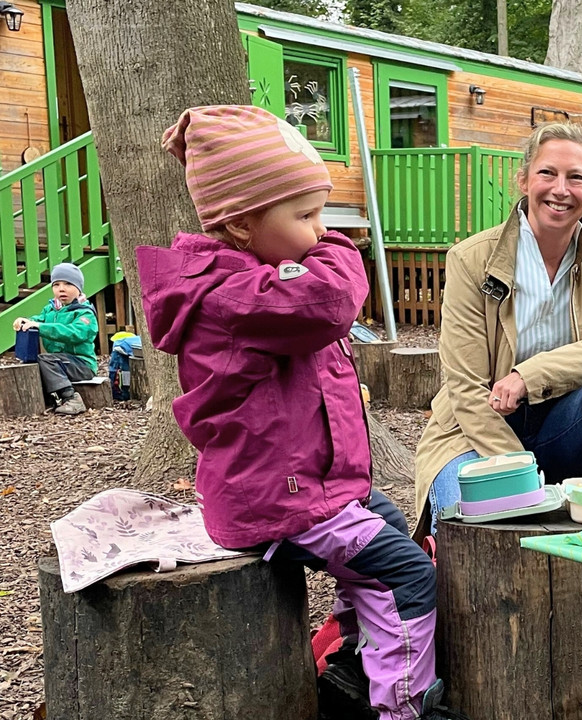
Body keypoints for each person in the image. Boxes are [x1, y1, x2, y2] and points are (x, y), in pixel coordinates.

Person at [135, 105, 445, 720]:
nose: (320, 229)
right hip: (280, 500)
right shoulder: (230, 292)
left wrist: (308, 239)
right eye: (306, 216)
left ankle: (355, 671)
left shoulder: (259, 275)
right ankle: (404, 707)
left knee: (387, 537)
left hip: (314, 490)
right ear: (245, 222)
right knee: (408, 576)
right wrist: (336, 247)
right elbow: (329, 302)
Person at [413, 122, 582, 538]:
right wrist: (524, 481)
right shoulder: (471, 259)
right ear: (523, 180)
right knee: (468, 521)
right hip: (475, 428)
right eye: (547, 173)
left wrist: (528, 376)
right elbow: (465, 389)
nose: (560, 189)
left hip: (564, 419)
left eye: (576, 178)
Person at [12, 262, 98, 415]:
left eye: (68, 284)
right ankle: (49, 397)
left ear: (79, 288)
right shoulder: (51, 309)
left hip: (81, 364)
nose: (61, 289)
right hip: (60, 361)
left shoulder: (85, 313)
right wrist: (26, 321)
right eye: (56, 284)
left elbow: (74, 333)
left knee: (46, 360)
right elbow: (40, 319)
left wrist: (41, 327)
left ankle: (71, 398)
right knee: (37, 361)